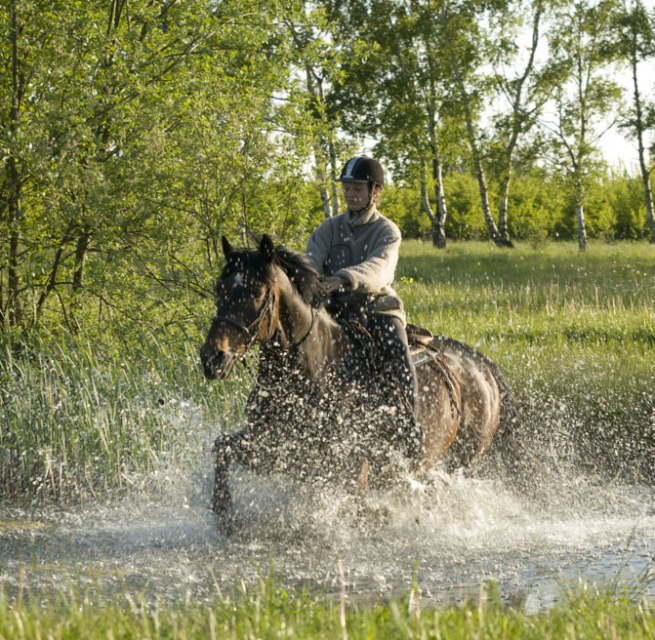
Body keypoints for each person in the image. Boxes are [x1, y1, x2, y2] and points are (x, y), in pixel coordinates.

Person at [305, 155, 422, 463]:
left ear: (375, 192)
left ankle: (409, 422)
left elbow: (379, 269)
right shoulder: (329, 228)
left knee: (397, 349)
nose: (351, 194)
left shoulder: (387, 231)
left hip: (377, 309)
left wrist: (344, 277)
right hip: (334, 311)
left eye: (358, 188)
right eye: (347, 188)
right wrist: (311, 280)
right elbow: (311, 260)